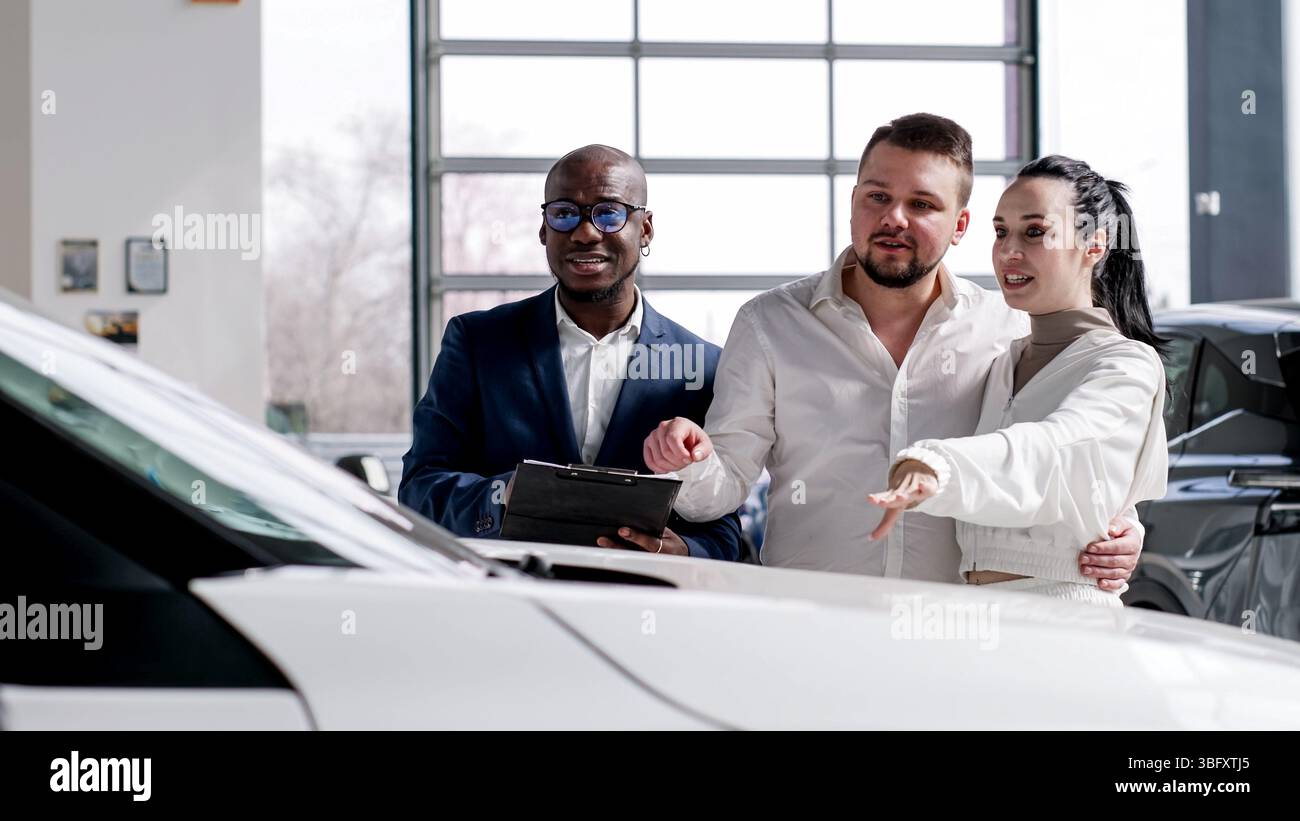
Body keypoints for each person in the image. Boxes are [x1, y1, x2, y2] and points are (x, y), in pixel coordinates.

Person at [642, 114, 1142, 586]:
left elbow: (1054, 453)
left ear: (961, 225)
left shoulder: (1008, 328)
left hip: (956, 636)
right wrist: (689, 459)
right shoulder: (769, 323)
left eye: (922, 204)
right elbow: (720, 490)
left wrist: (1121, 526)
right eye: (878, 196)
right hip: (810, 628)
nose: (893, 219)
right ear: (855, 199)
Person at [399, 144, 742, 560]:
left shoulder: (701, 365)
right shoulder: (477, 343)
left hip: (644, 608)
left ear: (646, 229)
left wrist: (687, 550)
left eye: (609, 212)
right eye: (564, 213)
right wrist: (503, 493)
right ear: (544, 229)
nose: (585, 232)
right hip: (511, 605)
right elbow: (419, 490)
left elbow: (723, 525)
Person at [866, 156, 1167, 605]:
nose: (1009, 251)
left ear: (1095, 245)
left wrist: (938, 467)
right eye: (1001, 231)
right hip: (981, 615)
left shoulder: (1126, 365)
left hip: (1064, 619)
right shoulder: (1003, 360)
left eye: (1035, 232)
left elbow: (1055, 448)